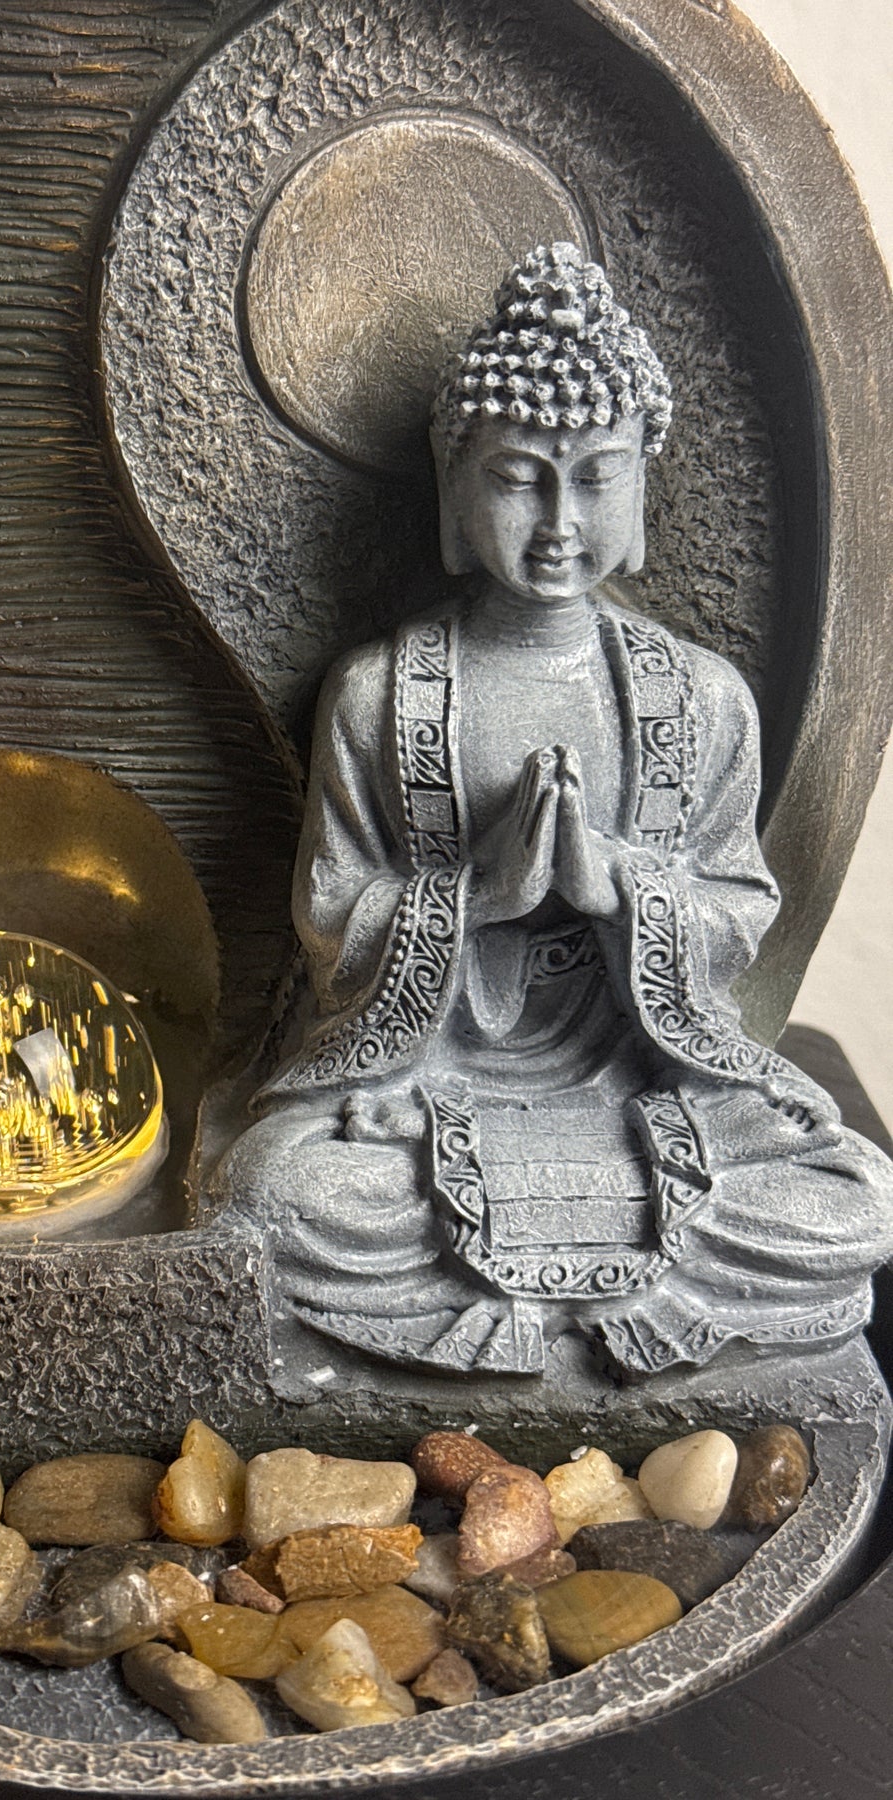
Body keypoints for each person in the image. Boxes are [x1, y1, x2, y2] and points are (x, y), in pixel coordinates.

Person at [215, 244, 893, 1377]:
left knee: (854, 1196)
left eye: (596, 476)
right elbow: (333, 919)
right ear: (454, 488)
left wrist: (616, 884)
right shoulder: (380, 696)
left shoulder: (702, 699)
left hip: (638, 1091)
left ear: (642, 488)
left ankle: (542, 1303)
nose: (559, 519)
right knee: (274, 1192)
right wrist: (480, 893)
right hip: (432, 1091)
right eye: (519, 477)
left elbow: (736, 915)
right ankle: (582, 1300)